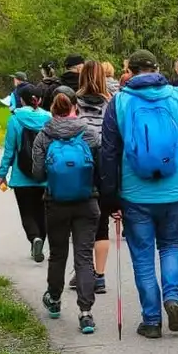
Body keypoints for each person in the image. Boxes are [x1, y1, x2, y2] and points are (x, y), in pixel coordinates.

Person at [100, 49, 178, 339]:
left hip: (134, 192)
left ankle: (152, 319)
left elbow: (109, 153)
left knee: (143, 255)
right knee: (170, 245)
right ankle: (173, 298)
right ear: (157, 68)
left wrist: (110, 197)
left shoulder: (119, 101)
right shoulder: (177, 97)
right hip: (172, 189)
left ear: (129, 72)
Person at [31, 92, 101, 335]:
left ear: (52, 109)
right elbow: (100, 169)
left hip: (56, 202)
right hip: (87, 202)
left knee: (58, 254)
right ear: (74, 107)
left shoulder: (44, 135)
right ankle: (86, 313)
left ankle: (54, 299)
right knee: (83, 257)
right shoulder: (89, 133)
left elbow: (38, 173)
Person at [0, 84, 53, 262]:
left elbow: (9, 149)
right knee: (42, 212)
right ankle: (40, 241)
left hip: (21, 177)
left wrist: (2, 174)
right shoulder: (49, 118)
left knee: (26, 212)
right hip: (44, 176)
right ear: (40, 99)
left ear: (21, 100)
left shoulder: (15, 119)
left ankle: (34, 238)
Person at [74, 59, 114, 294]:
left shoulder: (73, 100)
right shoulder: (111, 101)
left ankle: (82, 270)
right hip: (104, 165)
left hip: (78, 164)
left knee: (80, 221)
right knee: (102, 224)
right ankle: (99, 276)